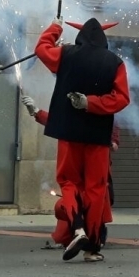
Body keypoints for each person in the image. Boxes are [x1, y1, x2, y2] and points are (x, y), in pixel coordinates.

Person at [35, 18, 130, 263]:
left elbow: (41, 49)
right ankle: (93, 247)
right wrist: (91, 103)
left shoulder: (66, 54)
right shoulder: (115, 62)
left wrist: (55, 28)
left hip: (68, 132)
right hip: (98, 135)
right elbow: (121, 99)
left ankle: (77, 230)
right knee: (96, 189)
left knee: (68, 181)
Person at [21, 95, 120, 249]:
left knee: (90, 200)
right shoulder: (75, 107)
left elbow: (113, 132)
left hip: (95, 167)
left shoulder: (103, 106)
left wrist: (110, 140)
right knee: (72, 200)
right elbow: (59, 122)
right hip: (82, 168)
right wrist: (36, 112)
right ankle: (81, 237)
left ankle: (90, 236)